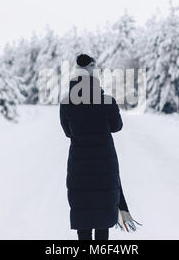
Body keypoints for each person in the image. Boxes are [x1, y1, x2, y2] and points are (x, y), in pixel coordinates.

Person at [59, 54, 125, 240]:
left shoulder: (66, 103)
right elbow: (117, 126)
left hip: (79, 166)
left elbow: (67, 131)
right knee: (103, 218)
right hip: (105, 166)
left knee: (83, 215)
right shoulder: (107, 102)